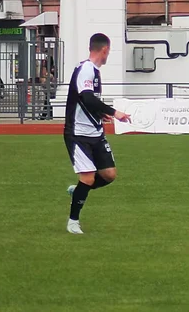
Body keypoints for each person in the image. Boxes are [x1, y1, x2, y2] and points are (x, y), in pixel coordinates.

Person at [64, 33, 131, 235]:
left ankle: (78, 192)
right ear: (104, 49)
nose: (108, 54)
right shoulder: (85, 69)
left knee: (109, 175)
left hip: (95, 132)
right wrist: (114, 112)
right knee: (88, 178)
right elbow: (86, 97)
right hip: (78, 134)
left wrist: (100, 114)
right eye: (108, 51)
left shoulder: (94, 71)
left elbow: (87, 102)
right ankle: (73, 222)